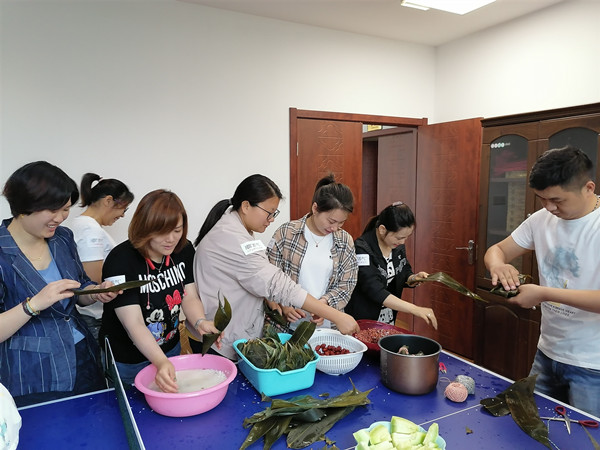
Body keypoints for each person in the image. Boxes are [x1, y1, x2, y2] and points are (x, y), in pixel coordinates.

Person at [484, 146, 600, 417]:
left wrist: (544, 293)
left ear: (588, 188)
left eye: (557, 200)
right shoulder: (541, 220)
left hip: (593, 364)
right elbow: (496, 250)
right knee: (534, 425)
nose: (549, 207)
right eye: (542, 199)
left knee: (587, 437)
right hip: (547, 353)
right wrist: (498, 265)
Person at [193, 174, 360, 360]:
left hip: (232, 332)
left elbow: (346, 282)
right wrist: (336, 316)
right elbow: (275, 283)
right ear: (246, 206)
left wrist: (327, 307)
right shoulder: (235, 239)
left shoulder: (237, 228)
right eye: (269, 212)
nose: (272, 219)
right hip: (219, 337)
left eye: (275, 213)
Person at [0, 161, 119, 407]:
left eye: (65, 209)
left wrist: (94, 292)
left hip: (83, 357)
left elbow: (78, 287)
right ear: (24, 205)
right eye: (52, 210)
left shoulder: (62, 238)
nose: (60, 218)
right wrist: (33, 304)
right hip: (33, 372)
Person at [99, 189, 217, 393]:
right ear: (144, 227)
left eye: (177, 230)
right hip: (128, 358)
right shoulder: (120, 260)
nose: (170, 239)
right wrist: (160, 361)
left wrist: (200, 321)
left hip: (170, 347)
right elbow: (134, 323)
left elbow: (188, 295)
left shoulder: (183, 250)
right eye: (162, 231)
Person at [266, 174, 358, 330]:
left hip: (327, 326)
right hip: (286, 326)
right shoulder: (287, 233)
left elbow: (347, 283)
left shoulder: (344, 240)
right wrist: (284, 305)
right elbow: (269, 275)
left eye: (341, 222)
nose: (335, 228)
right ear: (315, 208)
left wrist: (324, 305)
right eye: (331, 221)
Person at [345, 202, 438, 329]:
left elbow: (403, 271)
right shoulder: (362, 249)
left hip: (388, 317)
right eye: (399, 238)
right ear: (382, 230)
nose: (402, 242)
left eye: (406, 237)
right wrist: (415, 309)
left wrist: (413, 278)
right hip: (363, 320)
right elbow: (374, 289)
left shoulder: (396, 247)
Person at [69, 173, 134, 339]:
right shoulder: (90, 230)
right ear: (108, 201)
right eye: (124, 208)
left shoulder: (80, 223)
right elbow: (93, 281)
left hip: (89, 313)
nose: (123, 215)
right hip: (94, 317)